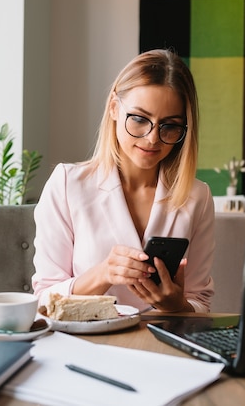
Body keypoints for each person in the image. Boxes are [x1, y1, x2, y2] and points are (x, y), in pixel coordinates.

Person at [32, 49, 215, 313]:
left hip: (161, 347)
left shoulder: (197, 197)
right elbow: (43, 301)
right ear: (114, 108)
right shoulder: (67, 184)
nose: (152, 138)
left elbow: (201, 302)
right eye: (140, 119)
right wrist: (103, 273)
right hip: (86, 345)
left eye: (170, 125)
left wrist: (177, 306)